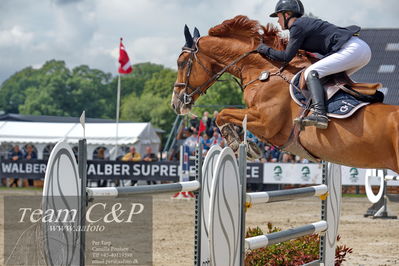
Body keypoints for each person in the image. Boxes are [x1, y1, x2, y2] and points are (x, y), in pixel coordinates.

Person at [256, 0, 371, 129]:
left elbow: (285, 57)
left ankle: (320, 114)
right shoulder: (303, 24)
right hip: (360, 50)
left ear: (286, 15)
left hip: (351, 49)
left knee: (312, 73)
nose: (277, 21)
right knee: (328, 79)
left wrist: (262, 48)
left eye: (278, 16)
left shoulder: (297, 26)